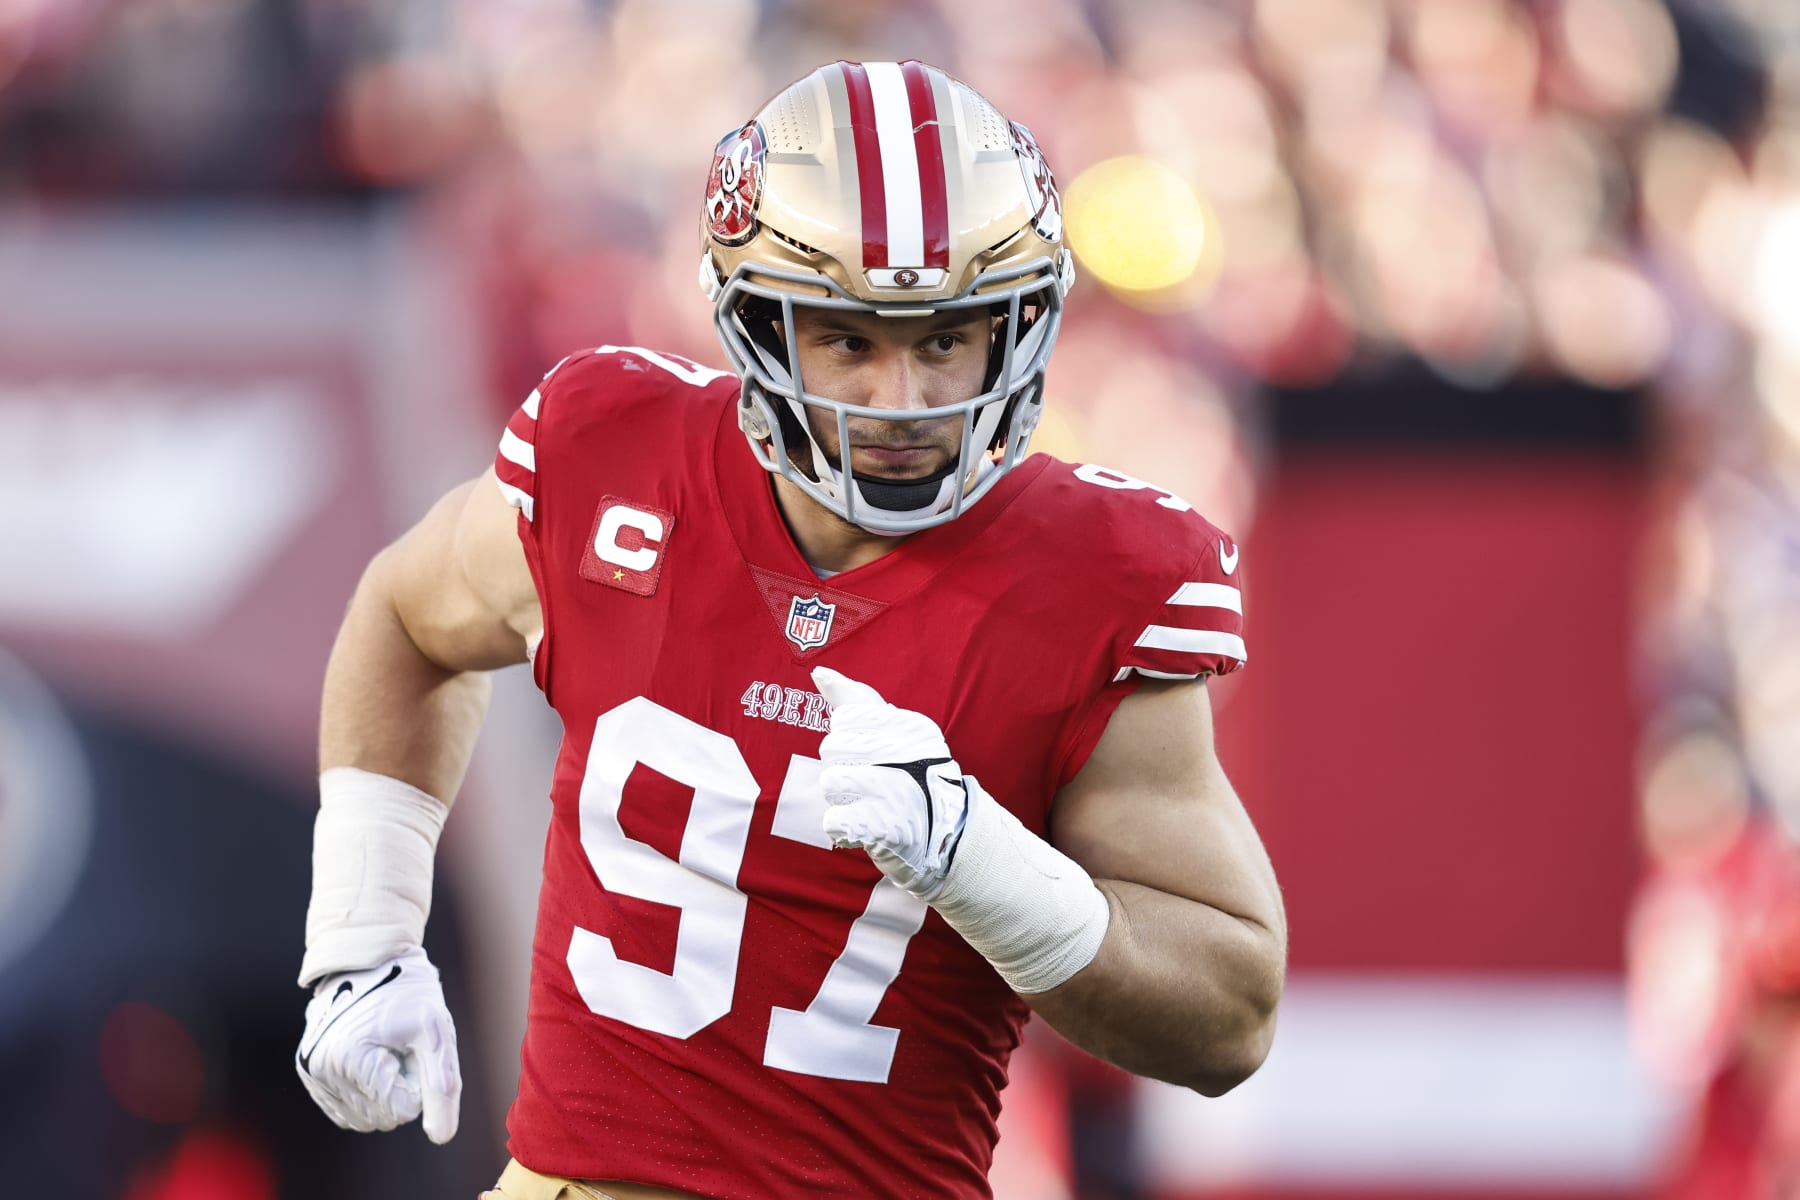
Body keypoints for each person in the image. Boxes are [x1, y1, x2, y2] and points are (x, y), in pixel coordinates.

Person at [294, 59, 1287, 1200]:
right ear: (759, 324)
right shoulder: (610, 454)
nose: (906, 401)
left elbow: (1231, 1015)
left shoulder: (1092, 575)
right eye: (852, 342)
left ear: (1017, 330)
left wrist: (986, 865)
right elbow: (405, 621)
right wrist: (365, 930)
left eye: (946, 339)